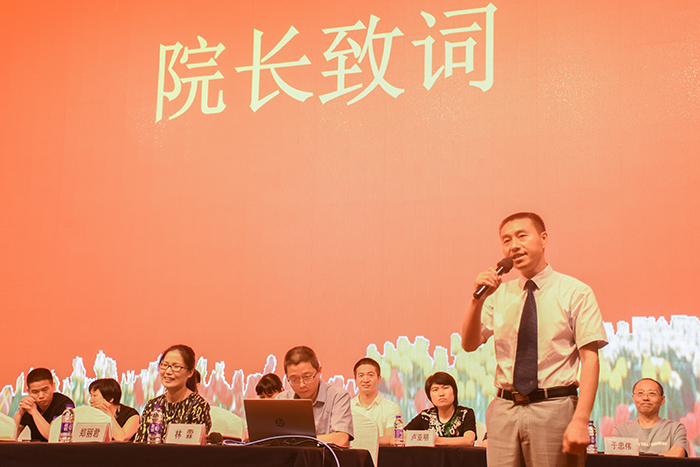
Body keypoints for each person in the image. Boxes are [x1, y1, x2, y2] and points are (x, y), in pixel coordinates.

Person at [460, 212, 608, 467]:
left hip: (555, 406)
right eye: (506, 240)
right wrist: (477, 300)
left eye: (521, 236)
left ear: (543, 238)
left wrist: (581, 420)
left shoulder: (575, 292)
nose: (514, 245)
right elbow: (469, 344)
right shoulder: (498, 294)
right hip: (504, 408)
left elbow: (590, 359)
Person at [276, 346, 354, 446]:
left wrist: (296, 441)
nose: (302, 384)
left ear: (319, 371)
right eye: (294, 379)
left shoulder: (337, 396)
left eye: (307, 377)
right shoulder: (282, 399)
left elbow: (341, 439)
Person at [134, 344, 212, 442]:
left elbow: (195, 446)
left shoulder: (198, 406)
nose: (168, 371)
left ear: (190, 372)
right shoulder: (153, 405)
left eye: (176, 367)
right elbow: (140, 443)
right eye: (165, 365)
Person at [612, 378, 688, 457]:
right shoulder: (621, 430)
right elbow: (619, 460)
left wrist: (637, 459)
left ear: (662, 400)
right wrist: (664, 457)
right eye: (640, 393)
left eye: (652, 393)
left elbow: (678, 454)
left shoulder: (675, 429)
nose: (645, 398)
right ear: (633, 399)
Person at [405, 372, 476, 446]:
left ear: (454, 392)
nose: (441, 394)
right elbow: (402, 435)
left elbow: (469, 441)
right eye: (435, 390)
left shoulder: (465, 413)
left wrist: (437, 440)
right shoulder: (426, 416)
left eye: (445, 388)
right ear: (429, 396)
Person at [13, 368, 74, 441]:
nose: (41, 396)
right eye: (35, 392)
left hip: (57, 448)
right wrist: (20, 412)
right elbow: (9, 436)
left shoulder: (65, 404)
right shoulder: (29, 405)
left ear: (53, 386)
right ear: (28, 392)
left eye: (45, 390)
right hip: (35, 447)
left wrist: (34, 412)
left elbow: (54, 438)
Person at [350, 357, 402, 445]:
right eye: (361, 375)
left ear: (379, 379)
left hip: (380, 453)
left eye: (370, 375)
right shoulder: (348, 407)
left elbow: (390, 437)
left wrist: (360, 441)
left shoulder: (391, 407)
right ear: (355, 380)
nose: (365, 380)